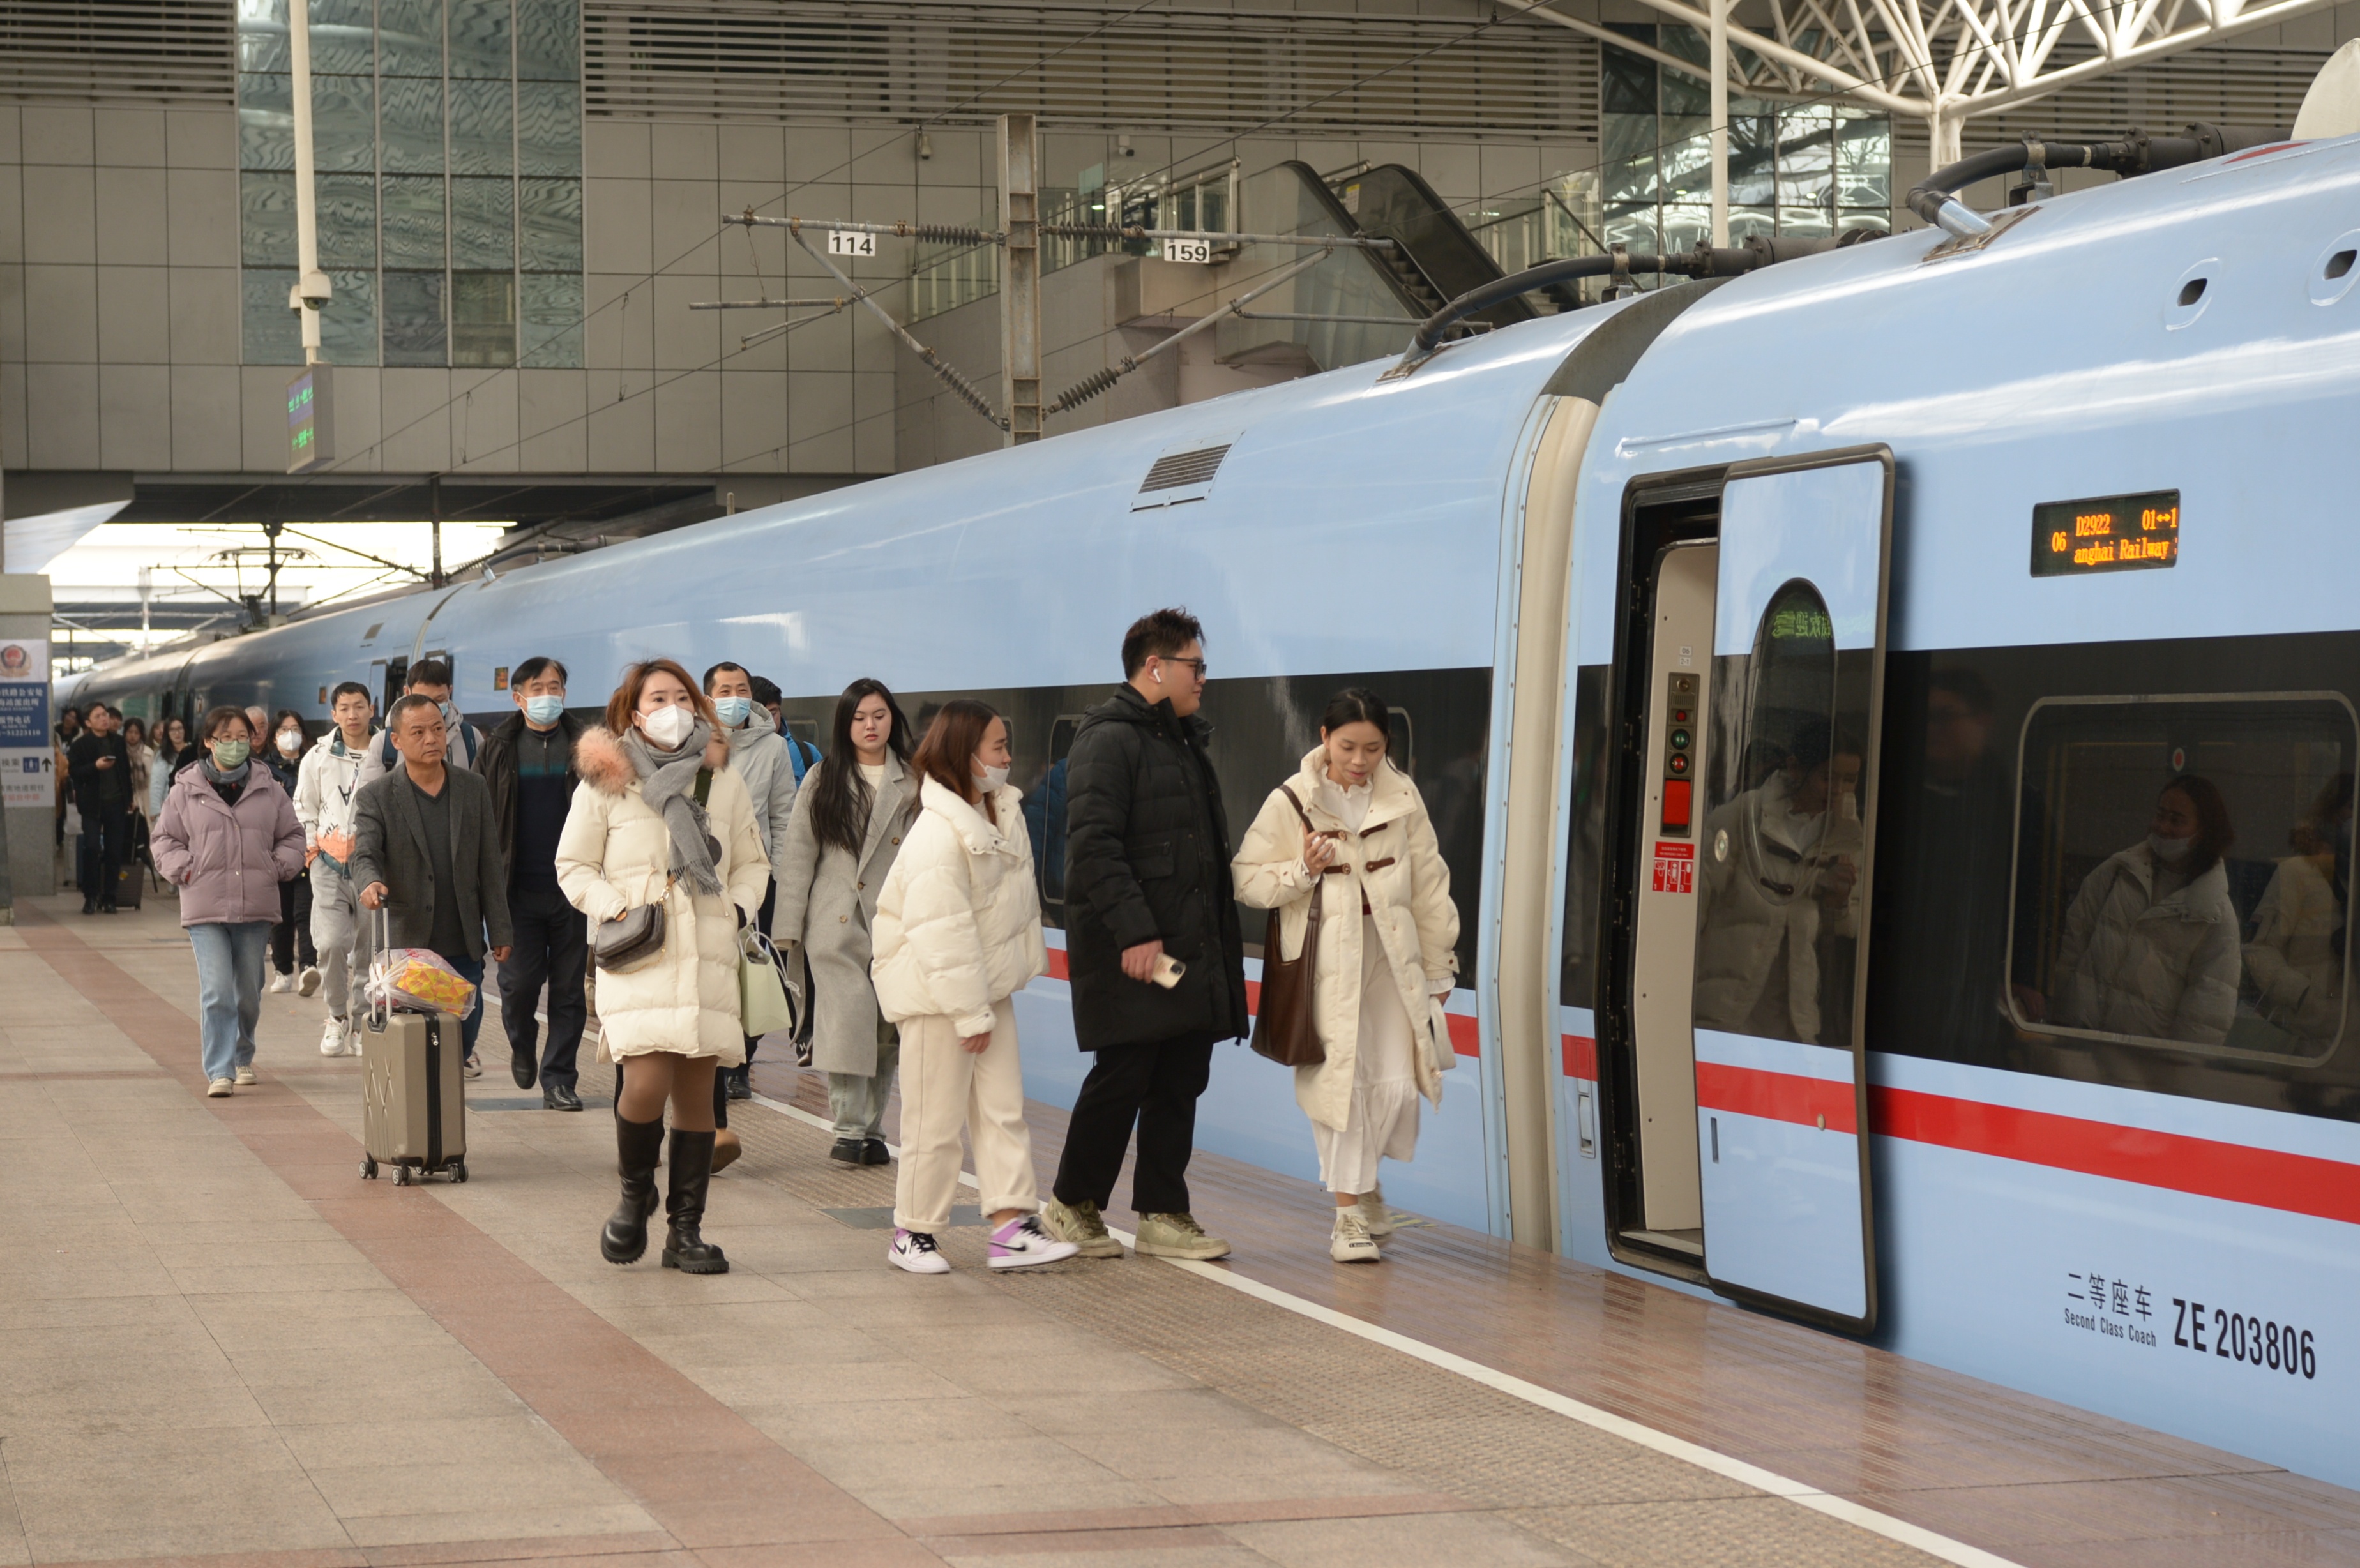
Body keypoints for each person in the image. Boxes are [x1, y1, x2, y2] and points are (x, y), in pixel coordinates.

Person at [1041, 608, 1250, 1262]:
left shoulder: (1181, 741)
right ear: (1155, 667)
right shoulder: (1109, 740)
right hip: (1133, 950)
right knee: (1124, 1075)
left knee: (1180, 1078)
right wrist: (1135, 932)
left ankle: (1163, 1211)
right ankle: (1072, 1203)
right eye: (1195, 666)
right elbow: (1094, 846)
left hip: (1185, 946)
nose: (1204, 678)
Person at [1232, 690, 1460, 1263]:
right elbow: (1246, 880)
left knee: (1396, 1081)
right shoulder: (1293, 799)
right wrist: (1302, 870)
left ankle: (1364, 1183)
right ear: (1324, 737)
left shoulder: (1402, 797)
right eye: (1349, 746)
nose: (1360, 761)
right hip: (1326, 964)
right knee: (1342, 1083)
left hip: (1391, 956)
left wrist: (1439, 966)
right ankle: (1347, 1218)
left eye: (1373, 748)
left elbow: (1430, 885)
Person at [557, 659, 768, 1274]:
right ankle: (634, 1195)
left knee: (698, 1098)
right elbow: (574, 867)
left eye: (682, 697)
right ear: (634, 712)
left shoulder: (722, 779)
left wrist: (735, 908)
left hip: (707, 955)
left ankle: (685, 1231)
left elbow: (753, 862)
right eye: (658, 698)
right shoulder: (605, 783)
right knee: (646, 1084)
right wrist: (618, 907)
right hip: (641, 951)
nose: (672, 708)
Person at [870, 700, 1077, 1274]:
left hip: (987, 985)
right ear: (966, 755)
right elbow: (941, 931)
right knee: (933, 1121)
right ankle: (912, 1232)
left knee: (1002, 1110)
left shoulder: (997, 810)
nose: (1008, 757)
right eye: (998, 747)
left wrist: (982, 1003)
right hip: (938, 995)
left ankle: (1011, 1227)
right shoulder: (938, 833)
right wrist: (967, 1013)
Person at [771, 679, 917, 1163]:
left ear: (893, 718)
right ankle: (850, 1128)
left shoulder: (915, 781)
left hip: (895, 921)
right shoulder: (824, 777)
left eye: (879, 715)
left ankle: (871, 1128)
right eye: (859, 718)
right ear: (845, 724)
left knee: (885, 1027)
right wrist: (788, 927)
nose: (870, 725)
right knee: (848, 1019)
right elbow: (798, 856)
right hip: (835, 921)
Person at [351, 696, 515, 1080]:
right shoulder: (377, 795)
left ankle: (442, 1101)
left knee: (461, 1040)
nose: (431, 739)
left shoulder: (472, 788)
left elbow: (490, 863)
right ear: (396, 741)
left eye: (438, 729)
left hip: (461, 942)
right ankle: (424, 1115)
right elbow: (365, 852)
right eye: (419, 732)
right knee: (414, 1047)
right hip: (408, 947)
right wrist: (370, 881)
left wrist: (501, 930)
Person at [151, 706, 305, 1096]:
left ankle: (242, 1056)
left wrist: (276, 867)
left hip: (255, 905)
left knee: (248, 993)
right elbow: (164, 839)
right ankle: (220, 1070)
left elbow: (293, 836)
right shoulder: (186, 790)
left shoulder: (269, 787)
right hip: (205, 906)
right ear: (209, 742)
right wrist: (186, 869)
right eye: (226, 738)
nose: (236, 745)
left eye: (242, 737)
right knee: (218, 990)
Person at [2024, 774, 2241, 1046]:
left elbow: (2207, 1011)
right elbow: (2071, 945)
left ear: (2205, 831)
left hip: (2143, 1062)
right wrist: (2057, 1014)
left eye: (2177, 821)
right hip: (2077, 1042)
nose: (2163, 827)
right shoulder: (2116, 873)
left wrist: (2176, 1064)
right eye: (2160, 815)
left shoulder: (2214, 915)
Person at [1691, 720, 1865, 1045]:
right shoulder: (1747, 813)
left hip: (1793, 1010)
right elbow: (1698, 897)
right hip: (1725, 1000)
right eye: (1828, 777)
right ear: (1795, 768)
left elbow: (1849, 926)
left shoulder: (1847, 837)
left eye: (1850, 780)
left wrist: (1838, 904)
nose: (1839, 790)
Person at [479, 656, 591, 1109]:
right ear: (518, 697)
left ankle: (559, 1079)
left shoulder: (586, 745)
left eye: (555, 687)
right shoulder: (498, 748)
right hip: (517, 891)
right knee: (519, 985)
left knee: (569, 991)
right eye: (538, 688)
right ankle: (521, 1041)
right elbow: (481, 818)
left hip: (575, 890)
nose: (548, 696)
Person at [705, 661, 799, 1101]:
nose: (735, 698)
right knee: (714, 968)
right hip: (705, 875)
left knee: (753, 970)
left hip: (754, 878)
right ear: (708, 699)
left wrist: (777, 875)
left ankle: (741, 1061)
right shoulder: (693, 742)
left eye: (741, 690)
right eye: (724, 691)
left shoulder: (773, 747)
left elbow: (783, 816)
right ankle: (710, 1058)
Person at [297, 682, 383, 1056]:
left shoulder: (387, 752)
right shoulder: (317, 756)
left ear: (372, 709)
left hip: (374, 865)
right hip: (328, 863)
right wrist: (312, 851)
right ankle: (337, 1015)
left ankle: (362, 1020)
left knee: (369, 949)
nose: (352, 715)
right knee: (331, 944)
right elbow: (304, 807)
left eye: (359, 707)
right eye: (344, 708)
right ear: (333, 714)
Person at [2244, 773, 2353, 1048]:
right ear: (2332, 814)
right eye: (2352, 807)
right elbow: (2260, 951)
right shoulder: (2297, 873)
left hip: (2350, 1041)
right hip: (2303, 1037)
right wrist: (2303, 995)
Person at [262, 711, 321, 996]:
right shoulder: (263, 770)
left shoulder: (314, 763)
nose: (290, 735)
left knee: (305, 912)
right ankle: (283, 971)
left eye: (296, 729)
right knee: (281, 915)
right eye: (284, 730)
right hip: (275, 850)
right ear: (274, 737)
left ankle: (309, 966)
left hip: (308, 847)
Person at [66, 704, 132, 915]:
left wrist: (129, 798)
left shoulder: (117, 741)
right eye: (99, 716)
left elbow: (125, 770)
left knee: (114, 852)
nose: (105, 719)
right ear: (88, 722)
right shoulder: (80, 745)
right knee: (92, 848)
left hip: (116, 803)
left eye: (105, 715)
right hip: (92, 806)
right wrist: (95, 766)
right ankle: (91, 896)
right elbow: (74, 772)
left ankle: (110, 897)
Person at [375, 659, 485, 773]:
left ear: (449, 691)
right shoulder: (383, 744)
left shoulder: (472, 738)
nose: (431, 708)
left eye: (440, 700)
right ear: (407, 692)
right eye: (422, 700)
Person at [151, 716, 189, 818]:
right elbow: (156, 785)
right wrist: (156, 811)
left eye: (180, 728)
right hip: (171, 808)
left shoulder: (193, 751)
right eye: (172, 730)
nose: (177, 733)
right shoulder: (163, 755)